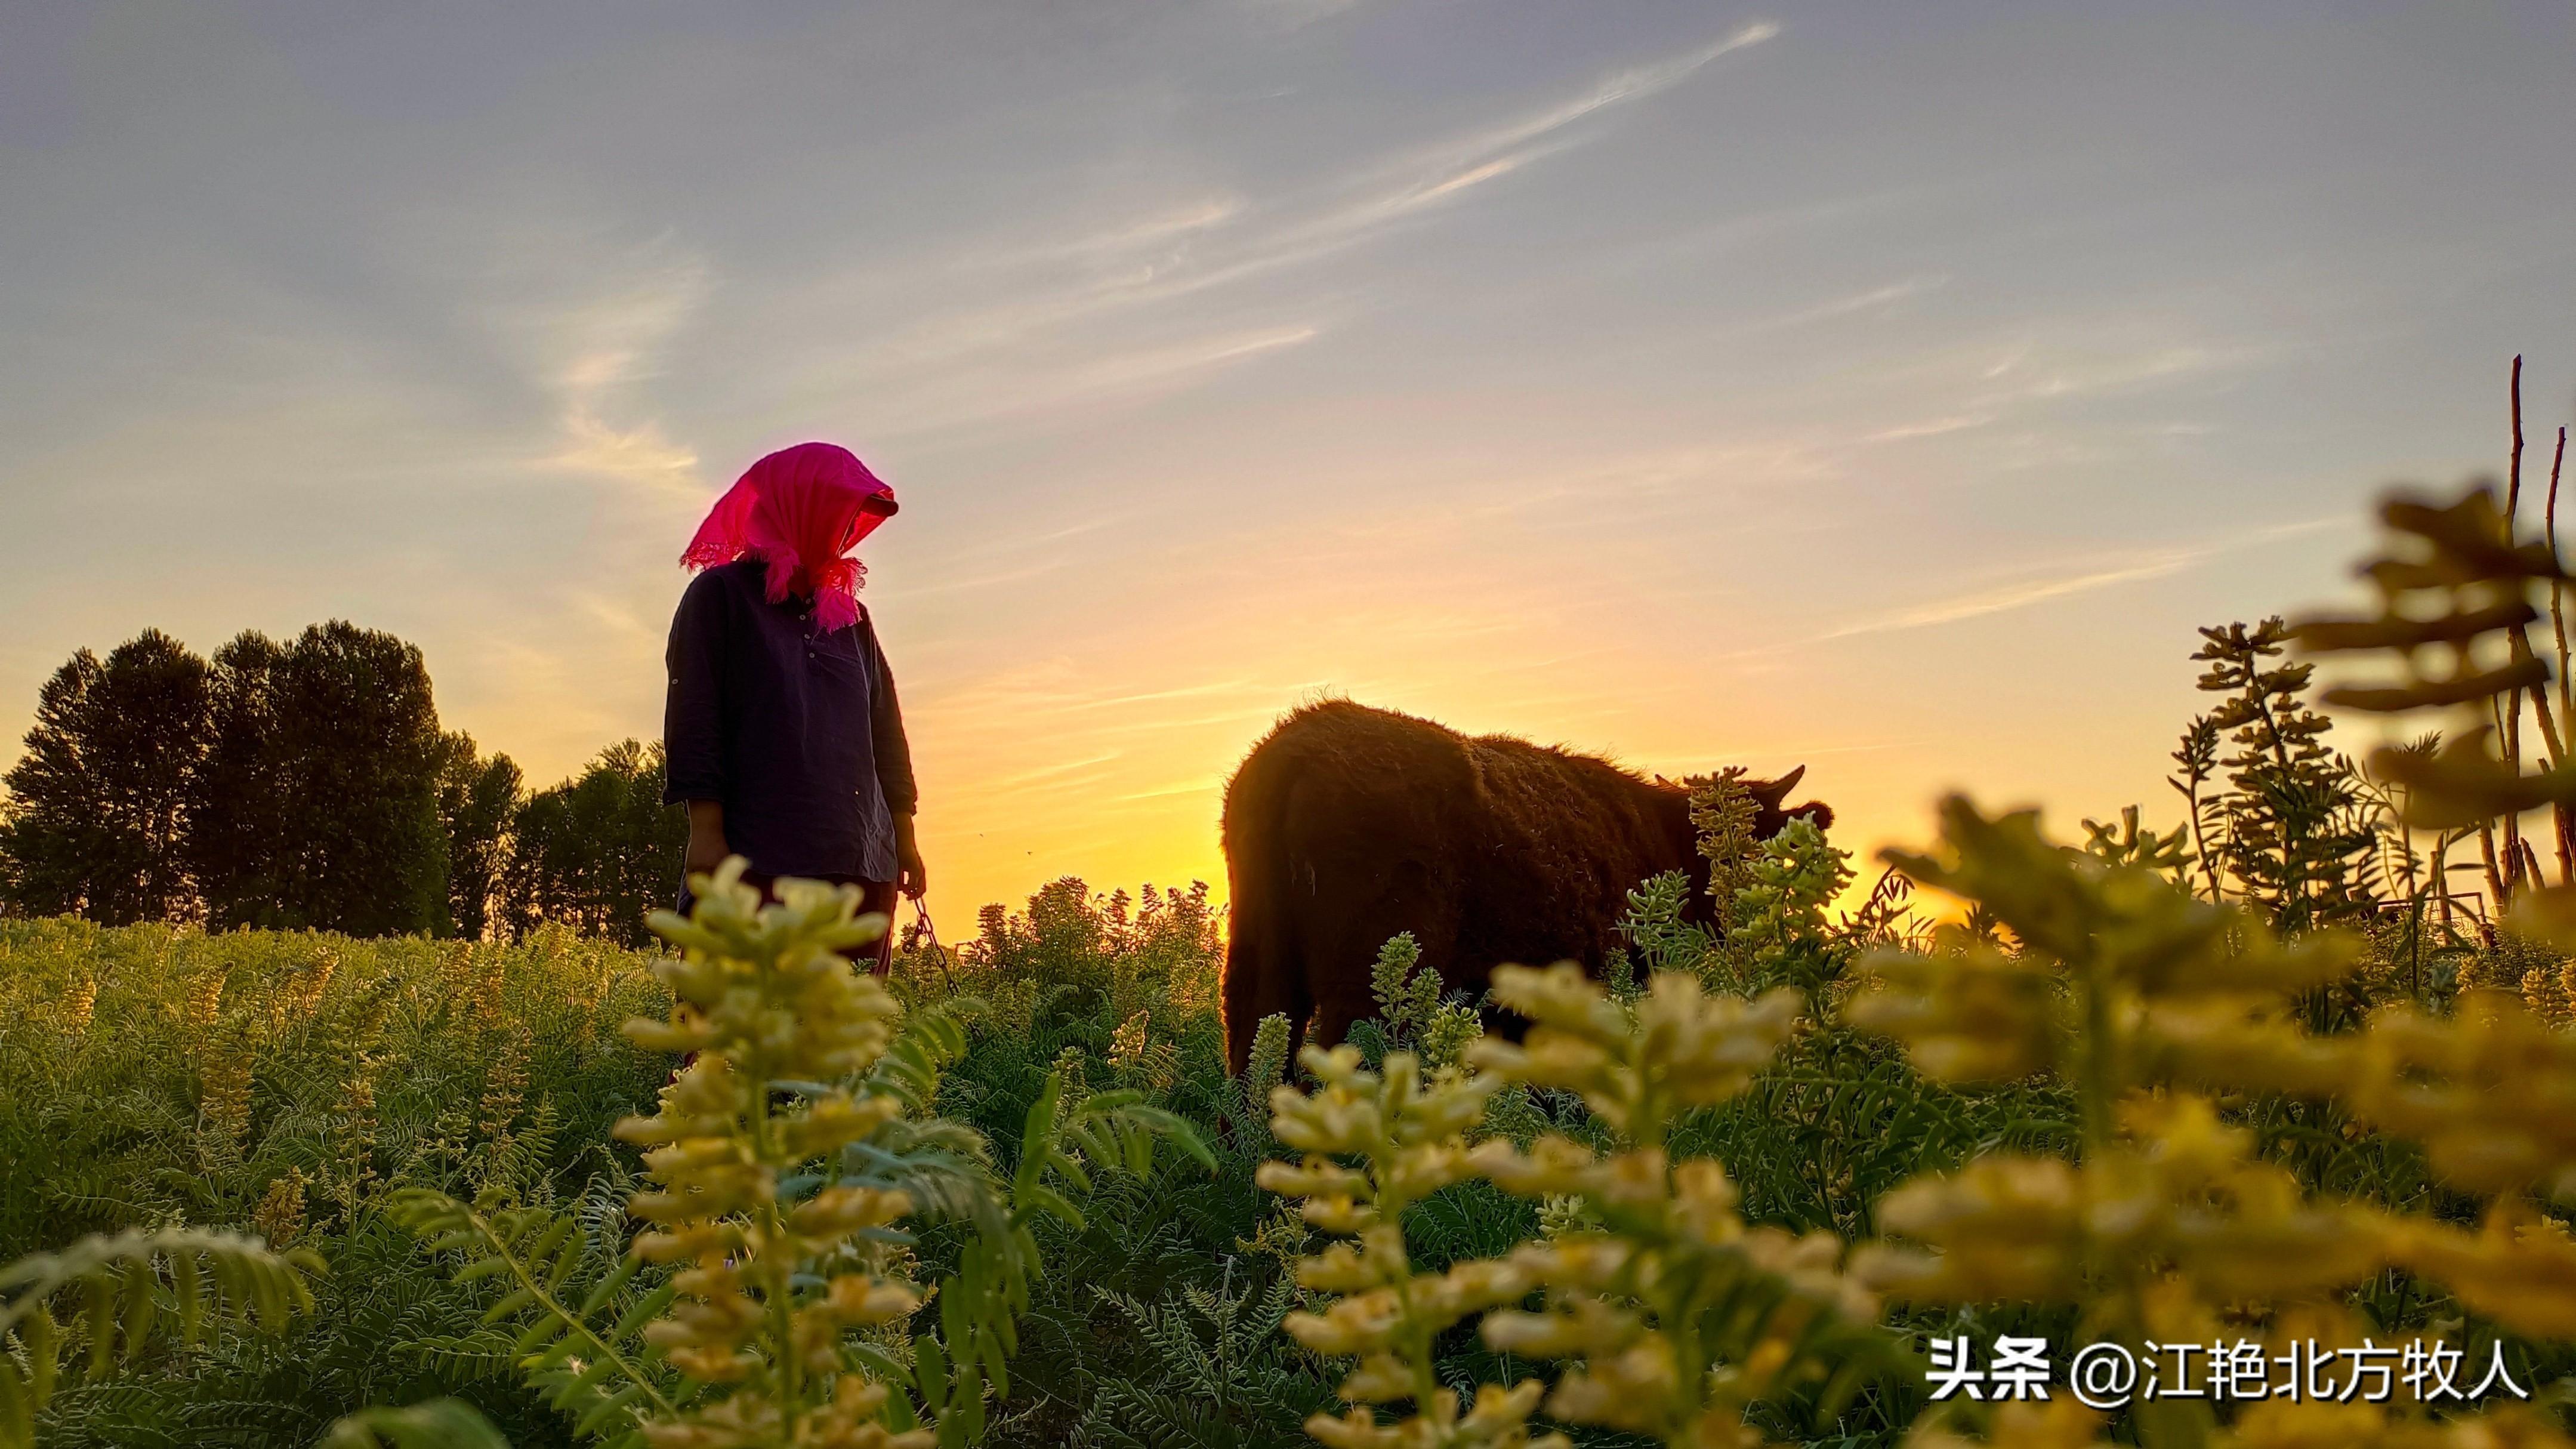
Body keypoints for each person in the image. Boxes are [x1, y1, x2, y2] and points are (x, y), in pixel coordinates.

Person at [662, 441, 925, 974]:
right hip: (755, 860)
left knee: (845, 1044)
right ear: (799, 507)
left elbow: (885, 731)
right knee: (734, 1042)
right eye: (837, 511)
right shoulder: (721, 598)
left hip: (858, 864)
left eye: (851, 516)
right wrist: (705, 834)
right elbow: (695, 716)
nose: (845, 527)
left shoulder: (852, 618)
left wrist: (904, 839)